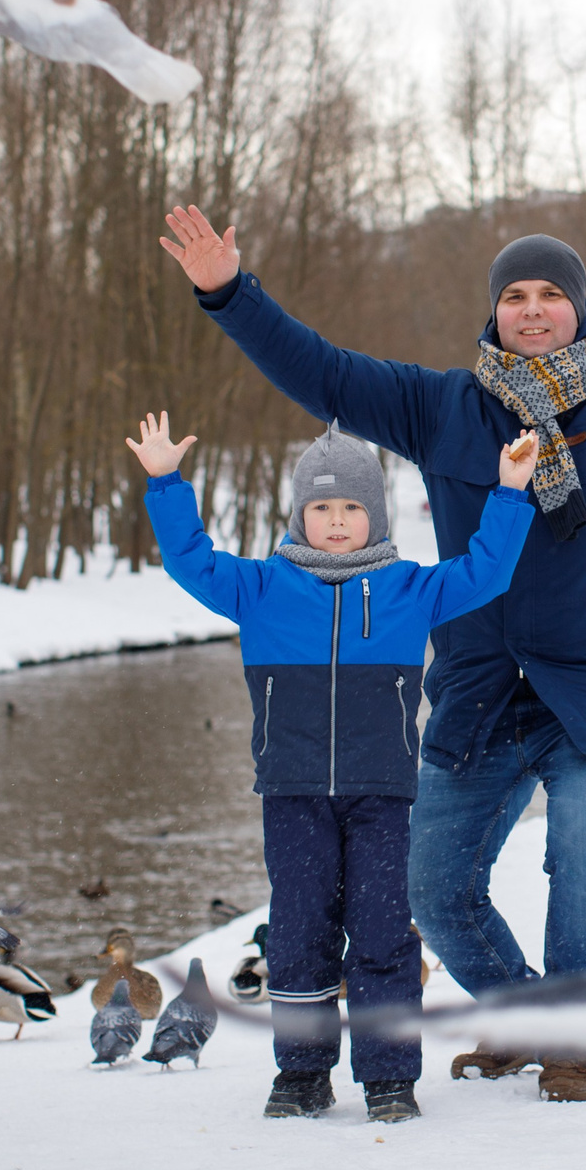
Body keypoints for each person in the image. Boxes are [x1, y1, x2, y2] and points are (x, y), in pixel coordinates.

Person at [160, 206, 586, 1101]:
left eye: (552, 293)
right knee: (432, 884)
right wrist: (228, 293)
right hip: (480, 692)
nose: (534, 308)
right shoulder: (444, 411)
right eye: (516, 294)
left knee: (582, 850)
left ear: (580, 309)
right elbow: (325, 370)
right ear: (494, 313)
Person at [128, 411, 537, 1124]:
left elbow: (488, 570)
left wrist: (509, 493)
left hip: (381, 794)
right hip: (292, 793)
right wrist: (166, 482)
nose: (338, 521)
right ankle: (303, 1072)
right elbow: (190, 559)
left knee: (382, 933)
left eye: (352, 507)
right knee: (297, 933)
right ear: (300, 515)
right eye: (323, 508)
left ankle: (388, 1079)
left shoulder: (410, 587)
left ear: (374, 514)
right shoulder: (259, 587)